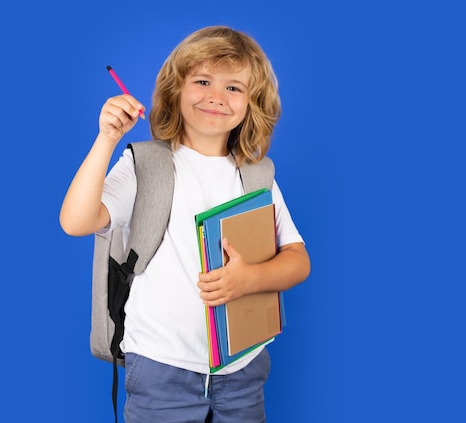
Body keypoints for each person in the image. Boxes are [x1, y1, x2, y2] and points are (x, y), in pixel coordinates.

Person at [60, 25, 310, 423]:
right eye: (203, 81)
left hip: (242, 369)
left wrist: (249, 280)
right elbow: (76, 221)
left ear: (252, 103)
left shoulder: (258, 174)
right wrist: (106, 139)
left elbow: (298, 259)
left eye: (234, 88)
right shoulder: (145, 163)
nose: (216, 96)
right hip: (161, 368)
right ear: (176, 91)